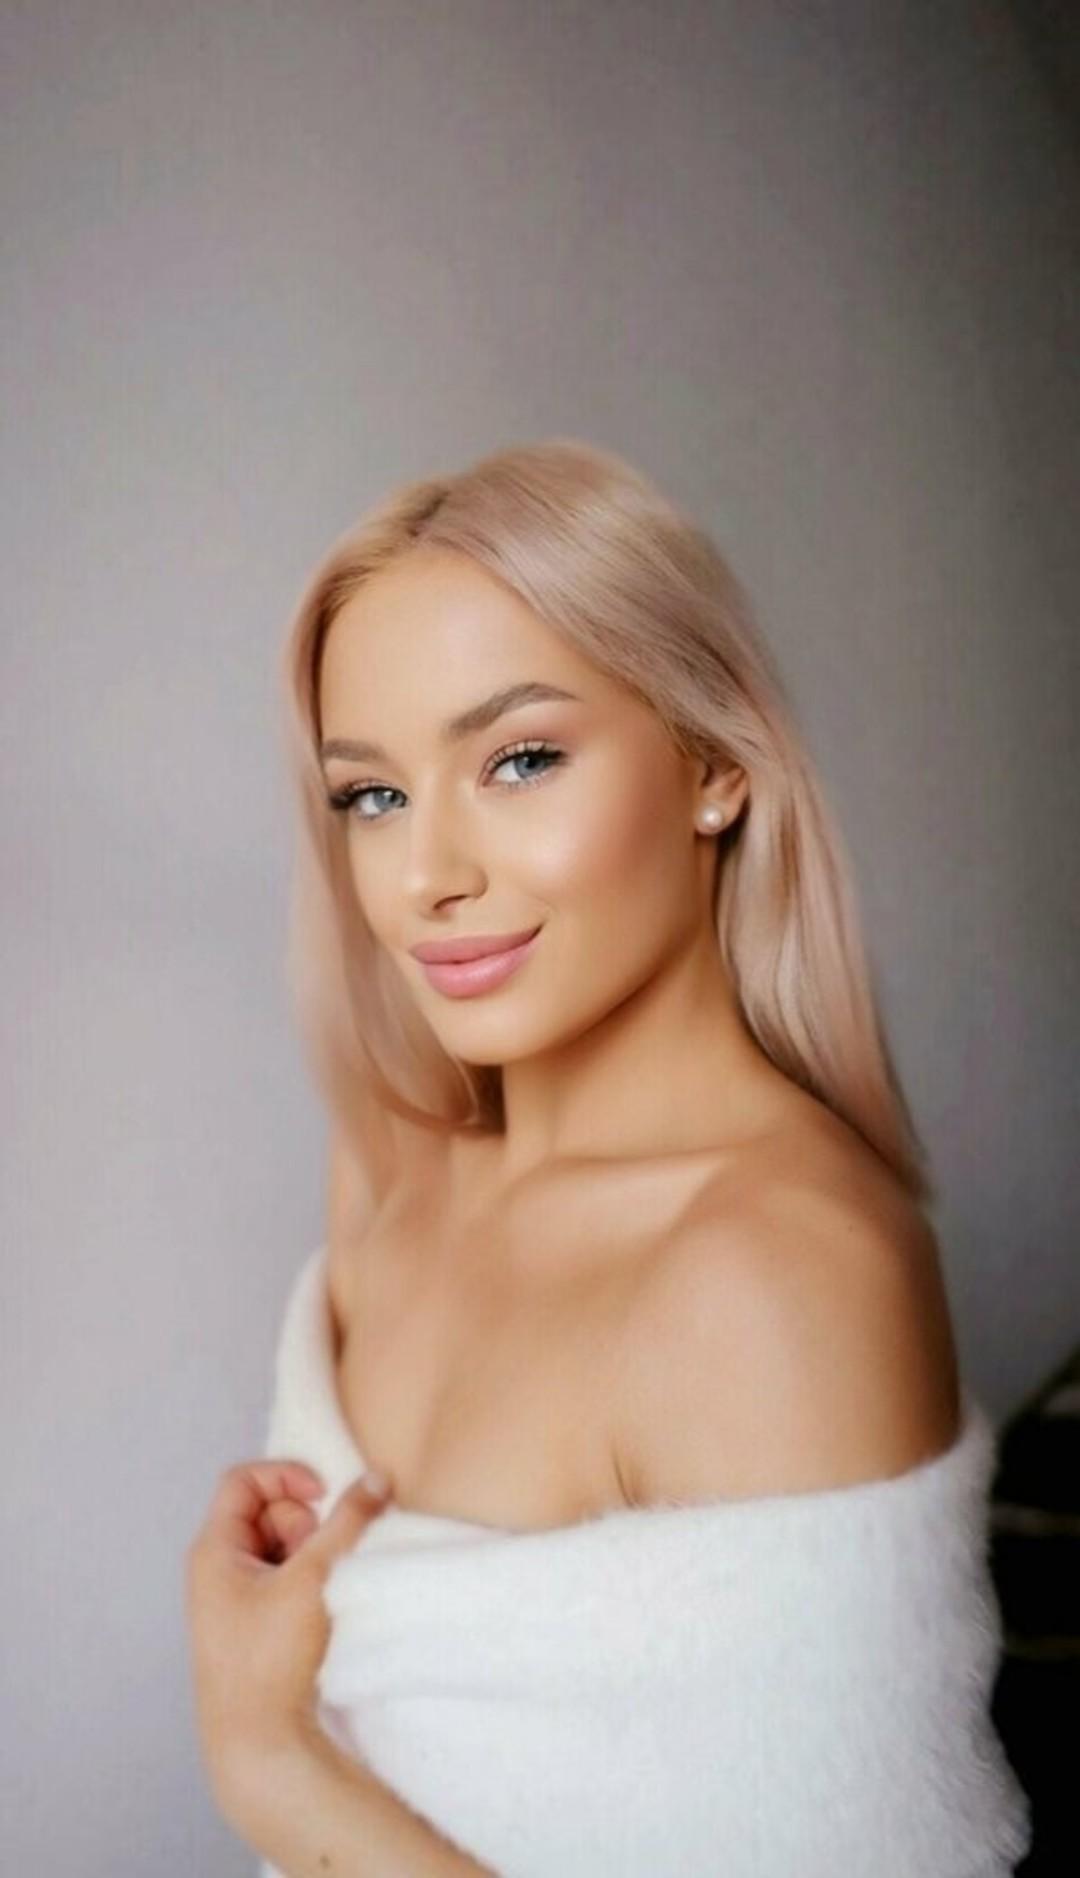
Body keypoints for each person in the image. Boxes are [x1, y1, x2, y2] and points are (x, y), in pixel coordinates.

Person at [185, 438, 1032, 1876]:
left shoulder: (775, 1278)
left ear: (716, 765)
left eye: (519, 760)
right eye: (372, 795)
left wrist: (269, 1760)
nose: (426, 875)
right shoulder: (390, 1167)